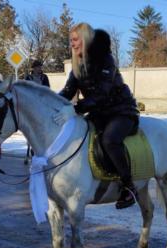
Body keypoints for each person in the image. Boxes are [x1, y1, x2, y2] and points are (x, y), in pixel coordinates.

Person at [53, 23, 140, 209]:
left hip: (121, 111)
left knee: (109, 139)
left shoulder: (105, 60)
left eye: (75, 40)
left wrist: (76, 108)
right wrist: (50, 104)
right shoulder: (78, 65)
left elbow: (102, 94)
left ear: (85, 39)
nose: (72, 44)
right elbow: (68, 91)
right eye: (70, 40)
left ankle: (129, 186)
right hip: (99, 113)